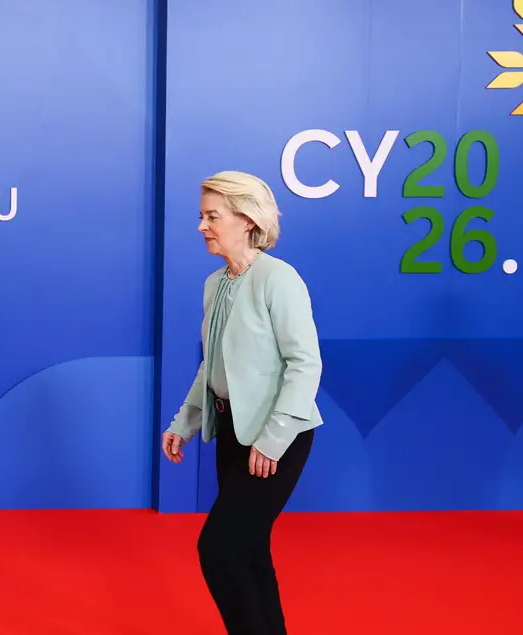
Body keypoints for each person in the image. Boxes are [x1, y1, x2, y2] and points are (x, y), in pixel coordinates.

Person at [162, 170, 323, 635]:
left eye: (212, 216)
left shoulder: (279, 279)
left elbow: (305, 365)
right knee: (250, 550)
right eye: (201, 216)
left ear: (247, 219)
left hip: (277, 437)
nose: (202, 226)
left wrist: (273, 440)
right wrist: (185, 422)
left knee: (221, 549)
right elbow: (213, 365)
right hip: (231, 432)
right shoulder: (216, 284)